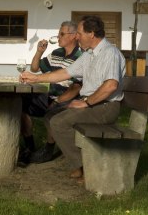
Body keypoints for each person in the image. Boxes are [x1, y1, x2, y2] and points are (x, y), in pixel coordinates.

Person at [19, 15, 125, 181]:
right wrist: (35, 78)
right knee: (50, 116)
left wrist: (86, 102)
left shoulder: (109, 53)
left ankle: (85, 166)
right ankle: (78, 160)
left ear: (92, 34)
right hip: (93, 104)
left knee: (58, 122)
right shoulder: (89, 54)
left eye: (80, 33)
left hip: (105, 106)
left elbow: (111, 85)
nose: (77, 37)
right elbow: (65, 73)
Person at [19, 21, 83, 166]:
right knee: (22, 102)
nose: (58, 37)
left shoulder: (80, 57)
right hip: (51, 96)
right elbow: (35, 68)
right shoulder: (57, 53)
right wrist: (39, 51)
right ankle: (30, 146)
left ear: (73, 36)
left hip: (68, 98)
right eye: (58, 33)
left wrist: (58, 100)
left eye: (61, 34)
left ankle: (48, 149)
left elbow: (76, 88)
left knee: (52, 111)